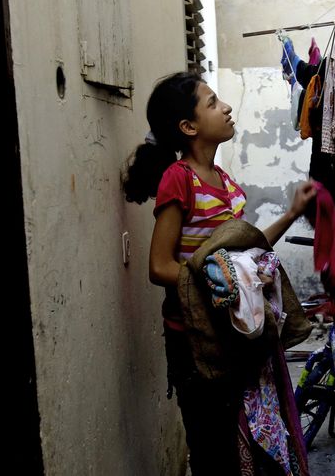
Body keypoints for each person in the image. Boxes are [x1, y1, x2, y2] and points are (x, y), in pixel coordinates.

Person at [122, 71, 316, 475]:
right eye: (212, 103)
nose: (226, 107)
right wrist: (221, 284)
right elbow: (159, 266)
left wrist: (292, 214)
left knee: (241, 446)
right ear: (189, 127)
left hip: (231, 335)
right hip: (196, 342)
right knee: (214, 452)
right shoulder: (180, 180)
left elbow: (243, 250)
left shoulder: (224, 182)